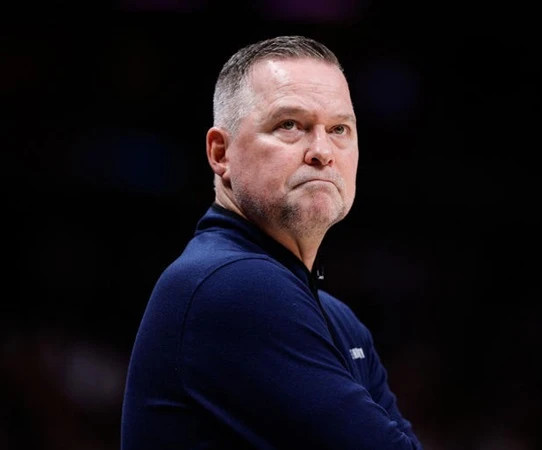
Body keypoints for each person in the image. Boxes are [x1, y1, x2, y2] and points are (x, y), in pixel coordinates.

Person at [120, 35, 423, 450]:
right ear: (220, 153)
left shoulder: (339, 319)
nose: (322, 151)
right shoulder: (231, 284)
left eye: (339, 129)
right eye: (290, 125)